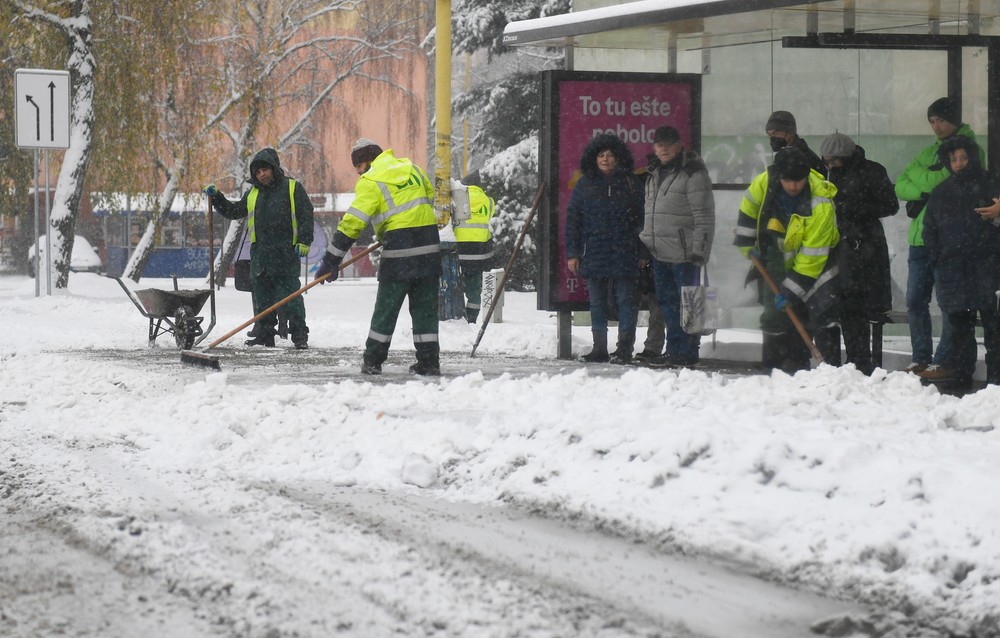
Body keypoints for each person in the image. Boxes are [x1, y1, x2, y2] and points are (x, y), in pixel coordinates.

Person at [314, 138, 442, 376]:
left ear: (367, 161)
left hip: (399, 251)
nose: (358, 173)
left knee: (386, 309)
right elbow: (427, 196)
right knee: (425, 310)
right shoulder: (412, 168)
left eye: (358, 167)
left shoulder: (371, 180)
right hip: (429, 246)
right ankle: (429, 362)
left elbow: (353, 223)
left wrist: (331, 260)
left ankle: (373, 361)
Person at [895, 97, 985, 374]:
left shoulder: (969, 148)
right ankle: (920, 358)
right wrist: (925, 187)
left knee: (949, 302)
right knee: (915, 301)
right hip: (920, 237)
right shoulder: (930, 151)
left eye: (941, 120)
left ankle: (943, 360)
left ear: (954, 119)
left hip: (949, 241)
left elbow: (943, 182)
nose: (936, 126)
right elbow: (900, 184)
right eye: (932, 121)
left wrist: (921, 179)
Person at [734, 146, 840, 372]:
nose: (793, 186)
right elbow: (749, 209)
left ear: (806, 177)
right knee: (774, 313)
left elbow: (813, 256)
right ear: (778, 175)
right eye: (787, 181)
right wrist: (747, 243)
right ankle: (774, 365)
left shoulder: (820, 204)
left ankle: (823, 367)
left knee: (821, 311)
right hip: (776, 254)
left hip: (816, 263)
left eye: (798, 181)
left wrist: (791, 290)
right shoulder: (764, 183)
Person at [203, 147, 313, 349]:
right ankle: (264, 335)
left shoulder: (292, 188)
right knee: (262, 299)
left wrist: (304, 240)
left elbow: (306, 215)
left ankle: (299, 336)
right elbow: (234, 211)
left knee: (291, 298)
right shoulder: (252, 194)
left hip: (285, 254)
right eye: (258, 172)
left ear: (274, 168)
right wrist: (217, 197)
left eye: (265, 169)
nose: (262, 174)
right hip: (261, 257)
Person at [920, 136, 1000, 388]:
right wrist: (939, 258)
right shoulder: (941, 192)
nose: (959, 163)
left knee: (995, 328)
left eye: (964, 157)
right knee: (960, 331)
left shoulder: (991, 185)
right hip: (953, 271)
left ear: (973, 158)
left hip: (989, 268)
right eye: (953, 159)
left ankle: (996, 381)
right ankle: (962, 379)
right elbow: (929, 229)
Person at [819, 132, 898, 375]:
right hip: (834, 244)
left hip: (863, 246)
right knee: (833, 305)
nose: (831, 165)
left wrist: (856, 208)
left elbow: (890, 205)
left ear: (848, 156)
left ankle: (859, 360)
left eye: (835, 160)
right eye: (827, 161)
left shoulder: (872, 171)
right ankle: (833, 362)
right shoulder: (825, 174)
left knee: (855, 305)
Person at [638, 125, 716, 367]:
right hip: (659, 253)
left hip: (686, 254)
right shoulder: (652, 173)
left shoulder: (693, 173)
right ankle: (675, 351)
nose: (663, 149)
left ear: (679, 145)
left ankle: (687, 352)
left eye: (668, 144)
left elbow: (704, 215)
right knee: (668, 304)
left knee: (690, 304)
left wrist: (700, 251)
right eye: (659, 144)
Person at [565, 133, 644, 364]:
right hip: (594, 251)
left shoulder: (630, 183)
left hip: (625, 251)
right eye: (601, 155)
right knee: (597, 302)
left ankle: (624, 350)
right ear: (594, 157)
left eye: (610, 155)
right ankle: (599, 348)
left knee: (626, 301)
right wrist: (572, 253)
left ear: (619, 158)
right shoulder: (585, 184)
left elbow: (642, 219)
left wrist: (642, 252)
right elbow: (573, 220)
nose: (606, 159)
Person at [453, 175, 497, 324]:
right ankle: (472, 318)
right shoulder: (488, 201)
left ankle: (455, 316)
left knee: (454, 285)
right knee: (474, 289)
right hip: (479, 254)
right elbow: (489, 216)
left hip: (458, 252)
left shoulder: (457, 198)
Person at [764, 110, 825, 175]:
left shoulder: (805, 159)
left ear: (791, 132)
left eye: (776, 134)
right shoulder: (784, 155)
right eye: (769, 135)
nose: (772, 138)